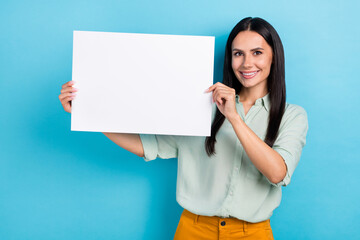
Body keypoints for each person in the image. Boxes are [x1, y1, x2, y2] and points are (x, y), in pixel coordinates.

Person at [59, 17, 308, 240]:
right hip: (194, 230)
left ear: (274, 56)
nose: (246, 63)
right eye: (237, 53)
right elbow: (148, 146)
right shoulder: (202, 106)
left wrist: (234, 118)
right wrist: (88, 113)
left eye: (257, 52)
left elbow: (277, 174)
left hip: (253, 233)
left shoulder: (292, 115)